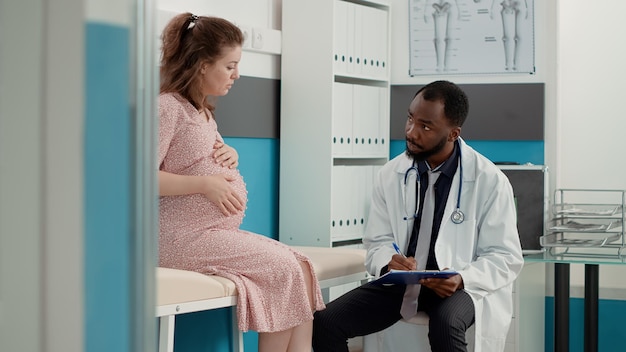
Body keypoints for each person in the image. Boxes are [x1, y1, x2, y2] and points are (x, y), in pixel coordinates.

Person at [313, 80, 524, 352]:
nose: (412, 132)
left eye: (425, 126)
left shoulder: (489, 180)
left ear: (452, 134)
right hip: (404, 284)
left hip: (457, 288)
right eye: (410, 119)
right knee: (325, 322)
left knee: (446, 325)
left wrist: (462, 277)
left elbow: (505, 256)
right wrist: (390, 262)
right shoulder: (391, 174)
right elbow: (377, 241)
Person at [157, 13, 325, 352]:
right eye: (230, 65)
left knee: (303, 268)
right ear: (203, 65)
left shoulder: (202, 110)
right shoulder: (167, 108)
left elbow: (194, 158)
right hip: (179, 238)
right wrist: (205, 184)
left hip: (211, 234)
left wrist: (228, 154)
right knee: (281, 268)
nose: (237, 74)